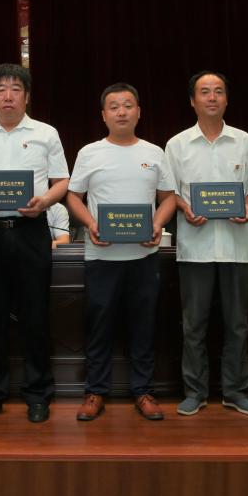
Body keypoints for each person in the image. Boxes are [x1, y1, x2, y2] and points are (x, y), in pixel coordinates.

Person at [0, 63, 69, 423]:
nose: (8, 96)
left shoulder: (46, 133)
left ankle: (38, 394)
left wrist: (44, 202)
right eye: (1, 89)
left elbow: (62, 181)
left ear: (27, 96)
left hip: (30, 231)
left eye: (15, 89)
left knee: (35, 315)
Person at [66, 83, 176, 421]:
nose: (122, 112)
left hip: (143, 257)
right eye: (114, 107)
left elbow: (169, 198)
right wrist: (90, 224)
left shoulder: (155, 153)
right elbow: (73, 197)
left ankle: (143, 392)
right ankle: (95, 392)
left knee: (143, 326)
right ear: (104, 115)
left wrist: (157, 224)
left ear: (139, 112)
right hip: (101, 258)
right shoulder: (89, 152)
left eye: (128, 105)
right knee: (99, 327)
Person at [165, 72, 248, 417]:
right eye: (204, 92)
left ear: (226, 99)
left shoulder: (244, 141)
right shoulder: (177, 145)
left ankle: (236, 391)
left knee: (238, 323)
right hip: (196, 247)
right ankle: (195, 392)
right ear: (192, 101)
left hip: (237, 246)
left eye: (218, 91)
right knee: (194, 324)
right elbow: (169, 191)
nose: (211, 97)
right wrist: (184, 207)